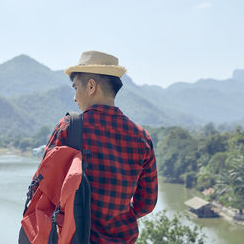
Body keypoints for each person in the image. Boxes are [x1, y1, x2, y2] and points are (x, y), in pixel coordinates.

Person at [44, 50, 158, 243]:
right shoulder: (142, 138)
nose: (74, 97)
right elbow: (146, 203)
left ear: (90, 86)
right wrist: (118, 214)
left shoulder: (68, 128)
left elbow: (44, 189)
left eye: (75, 88)